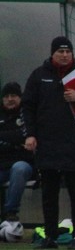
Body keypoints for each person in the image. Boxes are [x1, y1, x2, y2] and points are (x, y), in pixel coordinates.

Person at [21, 36, 75, 250]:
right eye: (60, 51)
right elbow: (28, 107)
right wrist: (30, 135)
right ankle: (50, 237)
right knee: (49, 194)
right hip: (47, 146)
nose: (65, 55)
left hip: (74, 146)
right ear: (53, 53)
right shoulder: (39, 76)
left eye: (68, 51)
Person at [0, 81, 34, 224]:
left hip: (24, 162)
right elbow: (20, 137)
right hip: (2, 164)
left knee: (19, 169)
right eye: (6, 96)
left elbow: (26, 135)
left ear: (20, 97)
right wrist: (17, 141)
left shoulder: (27, 114)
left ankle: (10, 213)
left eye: (13, 95)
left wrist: (5, 137)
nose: (10, 99)